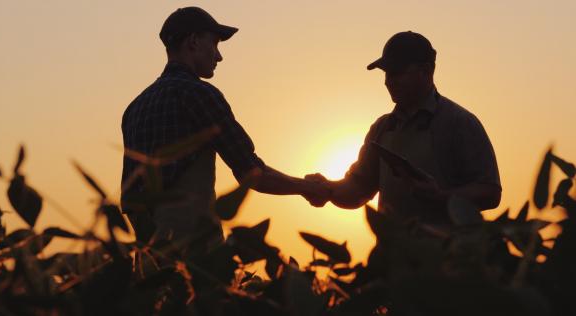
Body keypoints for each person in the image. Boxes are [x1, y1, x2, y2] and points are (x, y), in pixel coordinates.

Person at [121, 7, 329, 244]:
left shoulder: (134, 109)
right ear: (193, 42)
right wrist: (307, 187)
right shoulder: (199, 94)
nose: (219, 56)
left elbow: (129, 201)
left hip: (148, 267)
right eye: (215, 44)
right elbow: (252, 173)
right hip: (195, 262)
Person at [305, 31, 501, 228]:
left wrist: (442, 197)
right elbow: (358, 190)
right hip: (391, 257)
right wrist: (327, 188)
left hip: (446, 256)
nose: (388, 81)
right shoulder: (381, 129)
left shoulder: (459, 123)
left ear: (426, 71)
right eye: (386, 73)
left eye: (397, 73)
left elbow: (491, 193)